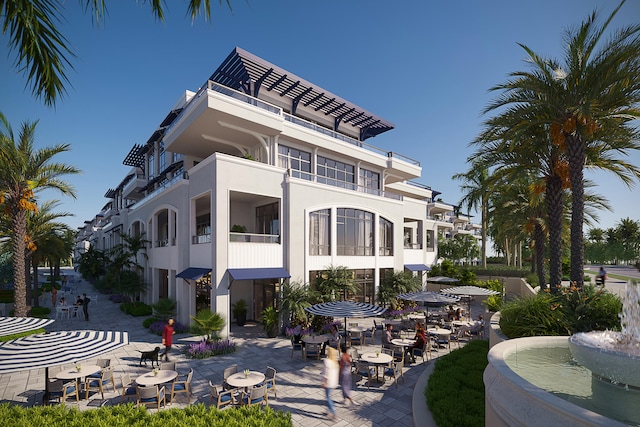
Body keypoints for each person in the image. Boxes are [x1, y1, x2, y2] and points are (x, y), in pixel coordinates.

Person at [321, 346, 339, 420]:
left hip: (328, 383)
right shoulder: (335, 362)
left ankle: (334, 412)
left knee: (328, 398)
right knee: (329, 396)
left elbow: (326, 373)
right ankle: (328, 411)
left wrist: (324, 382)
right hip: (333, 383)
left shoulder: (327, 361)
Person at [339, 343, 356, 407]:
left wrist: (339, 374)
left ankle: (351, 401)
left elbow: (341, 367)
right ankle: (345, 400)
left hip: (344, 373)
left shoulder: (342, 357)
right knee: (347, 387)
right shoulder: (348, 356)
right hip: (348, 373)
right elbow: (350, 363)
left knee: (344, 388)